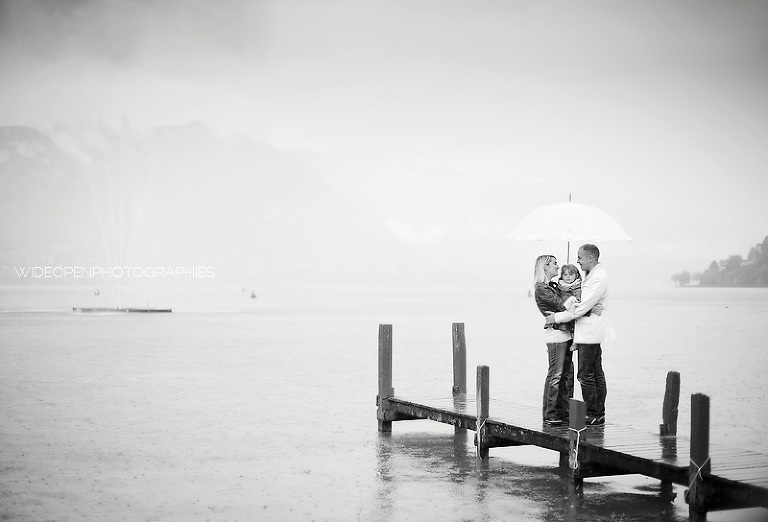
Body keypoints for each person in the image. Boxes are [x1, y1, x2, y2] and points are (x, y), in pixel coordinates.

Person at [545, 244, 612, 425]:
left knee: (585, 374)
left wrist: (557, 317)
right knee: (595, 372)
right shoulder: (591, 276)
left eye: (580, 258)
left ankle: (593, 413)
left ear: (590, 258)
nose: (577, 261)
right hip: (590, 330)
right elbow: (584, 304)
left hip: (590, 332)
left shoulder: (598, 277)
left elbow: (582, 306)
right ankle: (598, 412)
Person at [532, 255, 574, 426]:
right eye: (555, 264)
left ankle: (563, 412)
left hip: (566, 334)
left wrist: (567, 290)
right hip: (556, 336)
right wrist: (571, 300)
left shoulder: (554, 286)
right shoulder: (541, 288)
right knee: (555, 375)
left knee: (565, 375)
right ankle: (550, 414)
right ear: (545, 267)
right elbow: (562, 306)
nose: (558, 267)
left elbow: (567, 305)